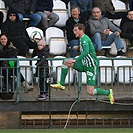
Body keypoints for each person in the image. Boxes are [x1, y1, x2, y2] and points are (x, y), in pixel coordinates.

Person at [50, 23, 114, 105]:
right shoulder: (82, 39)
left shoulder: (84, 39)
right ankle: (61, 84)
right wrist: (78, 47)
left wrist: (76, 60)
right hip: (84, 63)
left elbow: (86, 52)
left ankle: (108, 92)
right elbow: (87, 48)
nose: (74, 32)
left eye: (76, 30)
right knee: (66, 62)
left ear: (81, 30)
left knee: (90, 92)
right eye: (73, 30)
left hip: (91, 66)